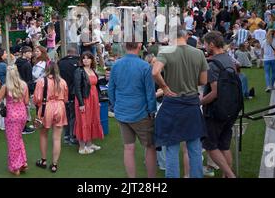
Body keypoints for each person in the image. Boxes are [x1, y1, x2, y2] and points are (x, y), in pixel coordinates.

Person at [152, 27, 208, 178]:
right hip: (191, 103)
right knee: (194, 148)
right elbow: (203, 81)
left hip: (173, 104)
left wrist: (164, 87)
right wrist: (189, 81)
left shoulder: (166, 52)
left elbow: (155, 71)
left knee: (172, 148)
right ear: (187, 36)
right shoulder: (198, 53)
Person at [109, 42, 157, 178]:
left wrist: (115, 106)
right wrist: (151, 110)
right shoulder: (144, 66)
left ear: (125, 46)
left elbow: (111, 89)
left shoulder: (116, 65)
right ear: (139, 45)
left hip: (123, 111)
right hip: (141, 113)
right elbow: (150, 92)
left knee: (128, 148)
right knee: (149, 147)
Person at [201, 31, 237, 178]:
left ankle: (230, 175)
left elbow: (214, 92)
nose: (204, 46)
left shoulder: (212, 63)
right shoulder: (230, 60)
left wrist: (200, 102)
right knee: (224, 146)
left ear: (211, 44)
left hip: (216, 111)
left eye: (205, 44)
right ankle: (227, 176)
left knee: (210, 145)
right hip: (231, 109)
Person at [0, 66, 29, 176]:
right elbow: (26, 101)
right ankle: (23, 162)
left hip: (12, 115)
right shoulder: (24, 85)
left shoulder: (6, 87)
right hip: (22, 114)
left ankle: (16, 166)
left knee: (12, 141)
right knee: (18, 138)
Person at [34, 62, 69, 173]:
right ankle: (54, 164)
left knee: (43, 135)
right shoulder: (62, 82)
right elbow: (66, 99)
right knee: (57, 138)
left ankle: (43, 160)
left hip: (46, 107)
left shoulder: (41, 81)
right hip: (60, 107)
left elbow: (37, 99)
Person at [74, 52, 104, 154]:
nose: (85, 60)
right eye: (83, 58)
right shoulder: (79, 71)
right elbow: (77, 88)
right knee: (83, 120)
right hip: (84, 98)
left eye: (88, 58)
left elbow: (97, 86)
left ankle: (90, 143)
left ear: (92, 60)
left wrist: (98, 100)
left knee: (92, 119)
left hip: (93, 98)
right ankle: (82, 147)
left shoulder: (92, 70)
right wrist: (81, 103)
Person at [58, 48, 80, 145]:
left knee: (66, 115)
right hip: (74, 92)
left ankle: (66, 135)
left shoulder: (60, 63)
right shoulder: (78, 62)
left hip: (62, 92)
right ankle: (72, 136)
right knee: (73, 115)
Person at [15, 46, 36, 135]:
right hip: (25, 87)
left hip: (17, 86)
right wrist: (31, 90)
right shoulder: (27, 64)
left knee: (19, 107)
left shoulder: (17, 62)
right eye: (29, 52)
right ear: (24, 53)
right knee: (24, 107)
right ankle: (23, 128)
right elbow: (29, 79)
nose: (31, 54)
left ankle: (20, 126)